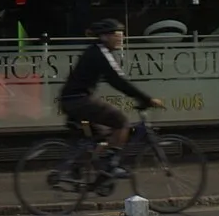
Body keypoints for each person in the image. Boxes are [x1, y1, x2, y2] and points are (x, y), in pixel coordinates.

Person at [57, 18, 164, 176]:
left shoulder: (95, 51)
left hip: (72, 100)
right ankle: (110, 166)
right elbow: (117, 81)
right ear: (104, 36)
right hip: (78, 100)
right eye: (116, 34)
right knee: (121, 122)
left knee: (101, 137)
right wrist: (146, 99)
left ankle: (76, 170)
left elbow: (115, 80)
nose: (121, 37)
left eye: (121, 34)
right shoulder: (101, 54)